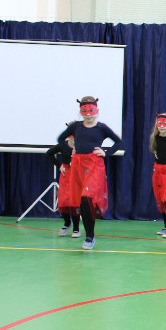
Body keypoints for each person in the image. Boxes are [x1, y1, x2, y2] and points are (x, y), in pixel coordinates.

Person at [57, 97, 122, 250]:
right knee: (82, 202)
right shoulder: (76, 126)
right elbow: (60, 139)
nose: (88, 114)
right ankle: (89, 235)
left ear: (97, 111)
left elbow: (119, 142)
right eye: (84, 111)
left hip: (94, 165)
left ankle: (89, 236)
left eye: (91, 110)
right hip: (78, 165)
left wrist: (106, 153)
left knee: (87, 199)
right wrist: (70, 151)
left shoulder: (101, 128)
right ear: (81, 111)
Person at [46, 133, 80, 238]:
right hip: (66, 174)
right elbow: (49, 153)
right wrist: (59, 165)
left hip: (77, 174)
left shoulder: (82, 145)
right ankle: (67, 223)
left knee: (75, 201)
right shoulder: (63, 145)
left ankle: (76, 228)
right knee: (63, 200)